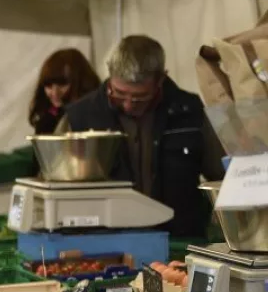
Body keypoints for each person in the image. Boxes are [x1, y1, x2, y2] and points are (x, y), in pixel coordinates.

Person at [57, 35, 226, 238]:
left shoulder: (189, 111)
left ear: (161, 80)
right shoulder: (80, 117)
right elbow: (54, 183)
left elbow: (221, 174)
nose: (128, 104)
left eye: (139, 97)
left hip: (179, 243)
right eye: (119, 93)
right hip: (103, 246)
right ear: (109, 75)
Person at [29, 48, 101, 135]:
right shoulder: (48, 117)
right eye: (48, 85)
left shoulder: (95, 116)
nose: (55, 92)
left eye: (62, 84)